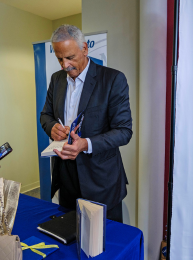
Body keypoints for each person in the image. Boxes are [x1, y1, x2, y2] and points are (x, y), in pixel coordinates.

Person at [40, 25, 132, 223]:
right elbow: (46, 115)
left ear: (84, 49)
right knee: (70, 241)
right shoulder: (56, 80)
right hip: (66, 177)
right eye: (59, 58)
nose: (65, 65)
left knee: (105, 246)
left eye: (70, 57)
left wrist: (86, 144)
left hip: (101, 180)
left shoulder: (113, 79)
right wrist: (52, 128)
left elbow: (124, 131)